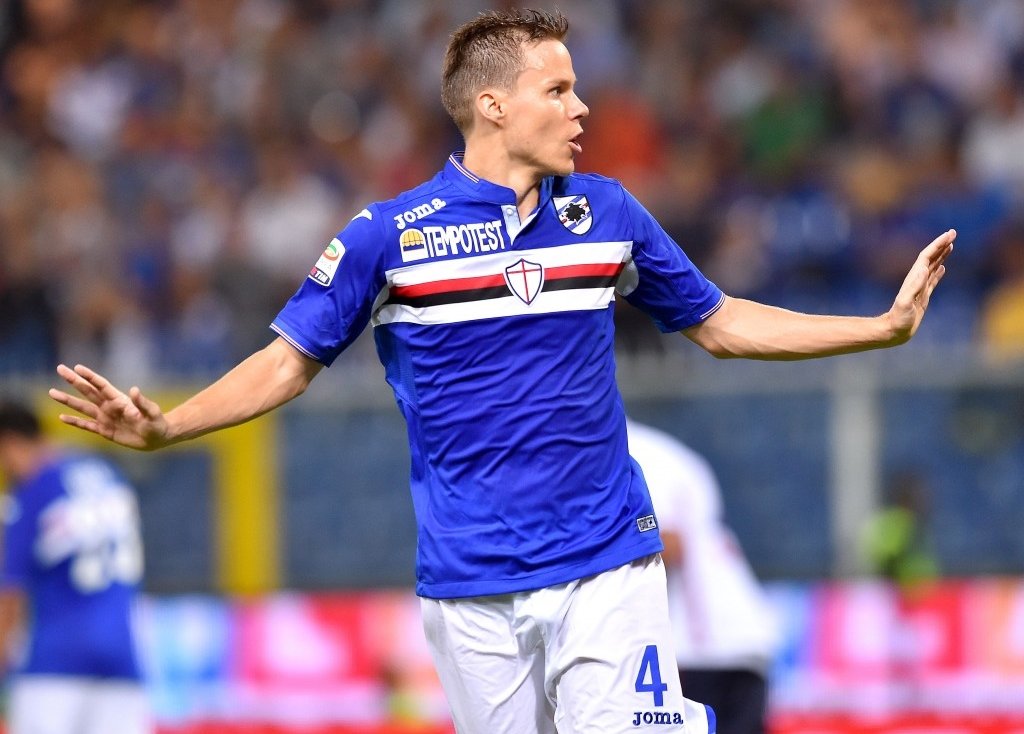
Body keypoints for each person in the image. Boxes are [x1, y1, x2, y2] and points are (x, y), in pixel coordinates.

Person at [48, 8, 953, 733]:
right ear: (492, 106)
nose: (581, 108)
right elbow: (285, 364)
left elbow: (720, 323)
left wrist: (878, 328)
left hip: (608, 560)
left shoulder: (607, 213)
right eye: (557, 90)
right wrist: (169, 426)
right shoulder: (387, 237)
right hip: (469, 581)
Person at [0, 398, 150, 734]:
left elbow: (11, 592)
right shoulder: (109, 476)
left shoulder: (33, 489)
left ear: (10, 442)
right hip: (122, 660)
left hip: (54, 664)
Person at [626, 418, 780, 734]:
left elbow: (667, 540)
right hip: (733, 639)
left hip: (703, 647)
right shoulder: (658, 448)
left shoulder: (627, 451)